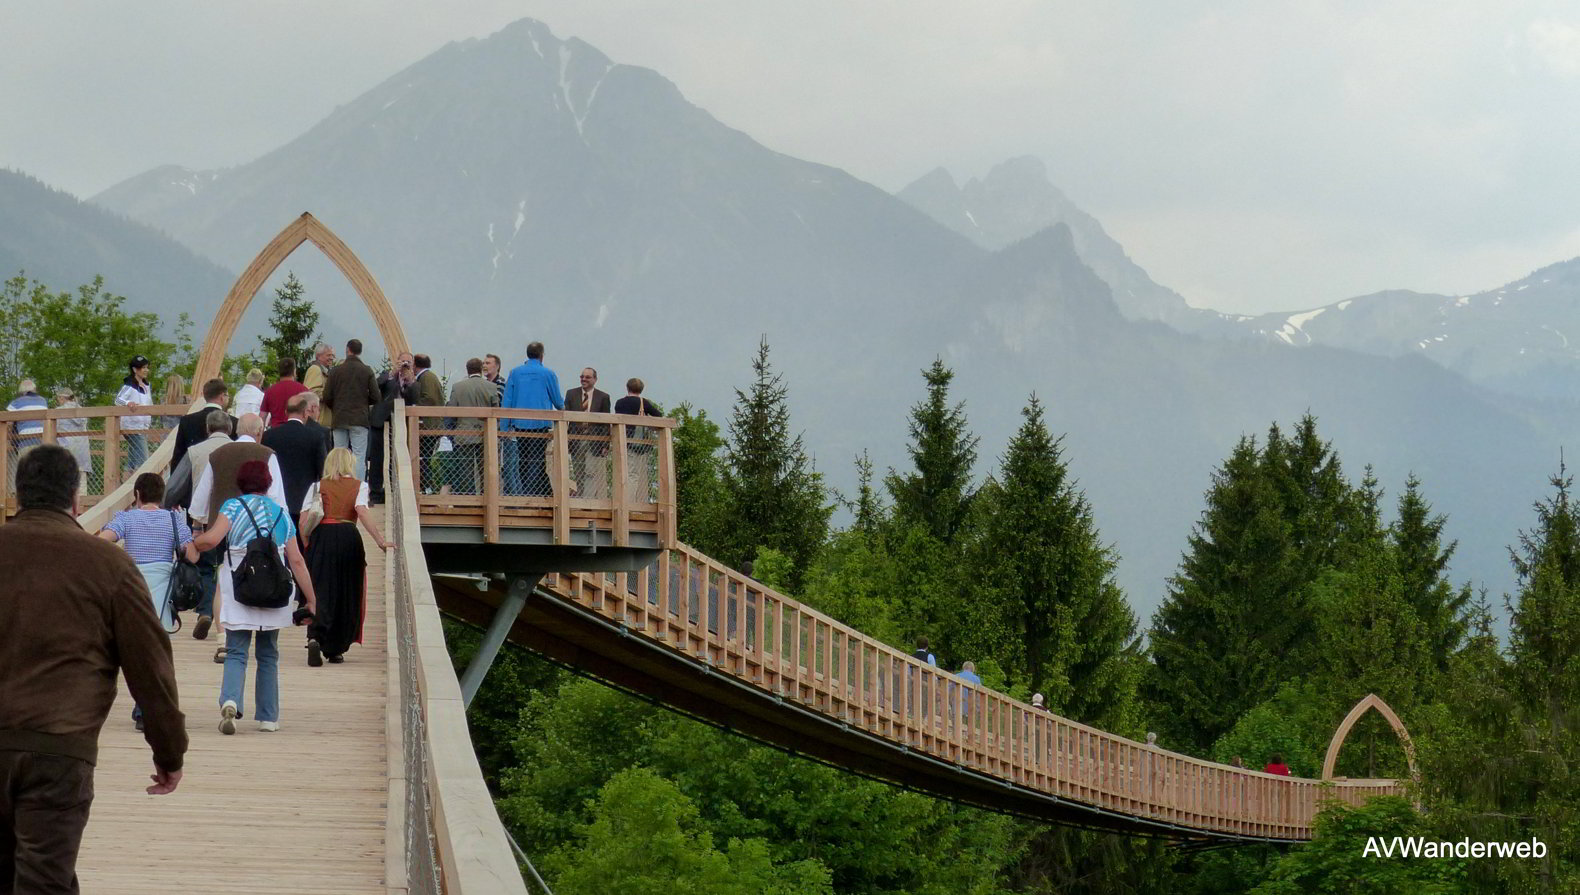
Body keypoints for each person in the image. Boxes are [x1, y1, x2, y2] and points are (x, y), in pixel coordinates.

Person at [0, 446, 185, 889]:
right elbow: (151, 667)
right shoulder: (109, 566)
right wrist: (168, 750)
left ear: (18, 494)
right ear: (77, 499)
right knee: (47, 881)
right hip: (58, 750)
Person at [193, 460, 318, 734]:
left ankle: (230, 700)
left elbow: (213, 539)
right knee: (268, 653)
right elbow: (296, 560)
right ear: (268, 483)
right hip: (274, 584)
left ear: (241, 482)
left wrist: (194, 544)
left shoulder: (232, 507)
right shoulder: (281, 513)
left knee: (237, 650)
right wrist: (310, 599)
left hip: (241, 582)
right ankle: (268, 717)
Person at [98, 472, 200, 731]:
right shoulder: (174, 520)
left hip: (133, 591)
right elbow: (193, 556)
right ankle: (153, 707)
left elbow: (102, 541)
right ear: (161, 495)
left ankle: (142, 707)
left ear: (138, 495)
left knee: (134, 654)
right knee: (158, 655)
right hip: (163, 593)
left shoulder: (127, 518)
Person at [303, 447, 393, 666]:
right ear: (349, 464)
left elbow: (304, 518)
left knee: (320, 588)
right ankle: (335, 648)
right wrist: (380, 541)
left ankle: (315, 635)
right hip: (347, 536)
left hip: (322, 536)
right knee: (347, 590)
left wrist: (307, 544)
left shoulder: (317, 486)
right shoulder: (359, 486)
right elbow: (361, 511)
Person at [182, 409, 237, 641]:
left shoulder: (194, 451)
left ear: (207, 428)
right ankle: (228, 616)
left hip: (203, 517)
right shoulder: (237, 451)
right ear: (230, 428)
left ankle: (204, 612)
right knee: (227, 566)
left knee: (206, 568)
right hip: (233, 517)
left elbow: (182, 482)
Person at [500, 341, 563, 496]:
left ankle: (521, 494)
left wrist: (503, 427)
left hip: (519, 424)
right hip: (540, 424)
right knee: (536, 460)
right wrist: (564, 411)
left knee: (521, 459)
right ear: (542, 356)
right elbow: (557, 400)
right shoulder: (548, 373)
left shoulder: (515, 373)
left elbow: (507, 400)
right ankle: (532, 494)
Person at [261, 392, 330, 531]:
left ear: (286, 412)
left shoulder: (269, 435)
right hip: (305, 498)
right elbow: (322, 470)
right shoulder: (316, 436)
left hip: (276, 497)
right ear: (305, 413)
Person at [323, 338, 380, 478]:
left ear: (347, 349)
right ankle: (358, 488)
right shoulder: (366, 371)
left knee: (338, 454)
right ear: (360, 351)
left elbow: (327, 396)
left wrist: (336, 407)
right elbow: (376, 396)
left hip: (339, 417)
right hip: (359, 418)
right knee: (359, 456)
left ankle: (337, 484)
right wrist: (363, 403)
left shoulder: (335, 371)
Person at [368, 352, 416, 505]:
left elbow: (415, 397)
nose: (405, 364)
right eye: (403, 361)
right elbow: (376, 386)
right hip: (380, 421)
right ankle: (375, 491)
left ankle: (396, 491)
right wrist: (392, 373)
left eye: (408, 362)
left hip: (402, 424)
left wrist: (410, 381)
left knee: (398, 457)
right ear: (397, 361)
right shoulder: (386, 375)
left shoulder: (414, 380)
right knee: (377, 457)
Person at [446, 357, 499, 495]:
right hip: (485, 434)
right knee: (485, 468)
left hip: (464, 433)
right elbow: (496, 410)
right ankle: (486, 496)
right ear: (481, 369)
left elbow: (451, 409)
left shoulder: (458, 387)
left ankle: (467, 500)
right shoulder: (491, 387)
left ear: (467, 370)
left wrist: (451, 431)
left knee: (465, 470)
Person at [565, 367, 611, 499]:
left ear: (595, 380)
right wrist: (566, 439)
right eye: (582, 377)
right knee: (578, 471)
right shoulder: (571, 394)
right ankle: (581, 499)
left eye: (587, 377)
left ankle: (588, 501)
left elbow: (606, 422)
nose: (583, 379)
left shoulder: (603, 397)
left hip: (594, 441)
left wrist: (605, 444)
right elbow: (565, 418)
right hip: (575, 440)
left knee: (590, 472)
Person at [172, 377, 235, 471]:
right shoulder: (234, 422)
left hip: (194, 473)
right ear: (222, 397)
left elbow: (179, 454)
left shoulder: (187, 420)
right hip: (222, 475)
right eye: (227, 396)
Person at [613, 377, 661, 501]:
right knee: (633, 474)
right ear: (641, 389)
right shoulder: (643, 402)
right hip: (637, 443)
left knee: (621, 472)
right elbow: (658, 415)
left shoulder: (619, 403)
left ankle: (619, 498)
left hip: (621, 440)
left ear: (627, 387)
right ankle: (629, 502)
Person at [410, 354, 445, 492]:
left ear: (415, 365)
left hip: (429, 425)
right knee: (425, 456)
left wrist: (414, 406)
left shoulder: (426, 378)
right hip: (432, 424)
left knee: (423, 457)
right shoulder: (429, 377)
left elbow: (429, 398)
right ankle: (426, 486)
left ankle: (427, 487)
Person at [115, 354, 154, 475]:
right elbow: (118, 400)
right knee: (143, 458)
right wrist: (128, 403)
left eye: (147, 367)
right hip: (132, 426)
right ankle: (138, 478)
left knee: (133, 457)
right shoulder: (129, 385)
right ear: (135, 370)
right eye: (143, 368)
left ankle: (128, 478)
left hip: (142, 426)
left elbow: (150, 404)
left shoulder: (146, 386)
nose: (146, 370)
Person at [54, 386, 92, 493]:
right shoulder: (82, 411)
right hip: (82, 454)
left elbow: (52, 431)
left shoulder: (57, 412)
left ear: (62, 398)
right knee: (81, 486)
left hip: (66, 454)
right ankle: (82, 509)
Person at [260, 356, 310, 429]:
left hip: (276, 431)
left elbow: (262, 416)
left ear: (279, 371)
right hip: (298, 430)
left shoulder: (270, 391)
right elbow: (309, 414)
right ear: (294, 371)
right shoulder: (303, 390)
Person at [302, 342, 336, 429]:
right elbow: (311, 393)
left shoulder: (325, 371)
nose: (331, 358)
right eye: (328, 355)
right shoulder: (315, 369)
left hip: (322, 422)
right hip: (318, 422)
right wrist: (333, 393)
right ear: (318, 356)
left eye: (332, 355)